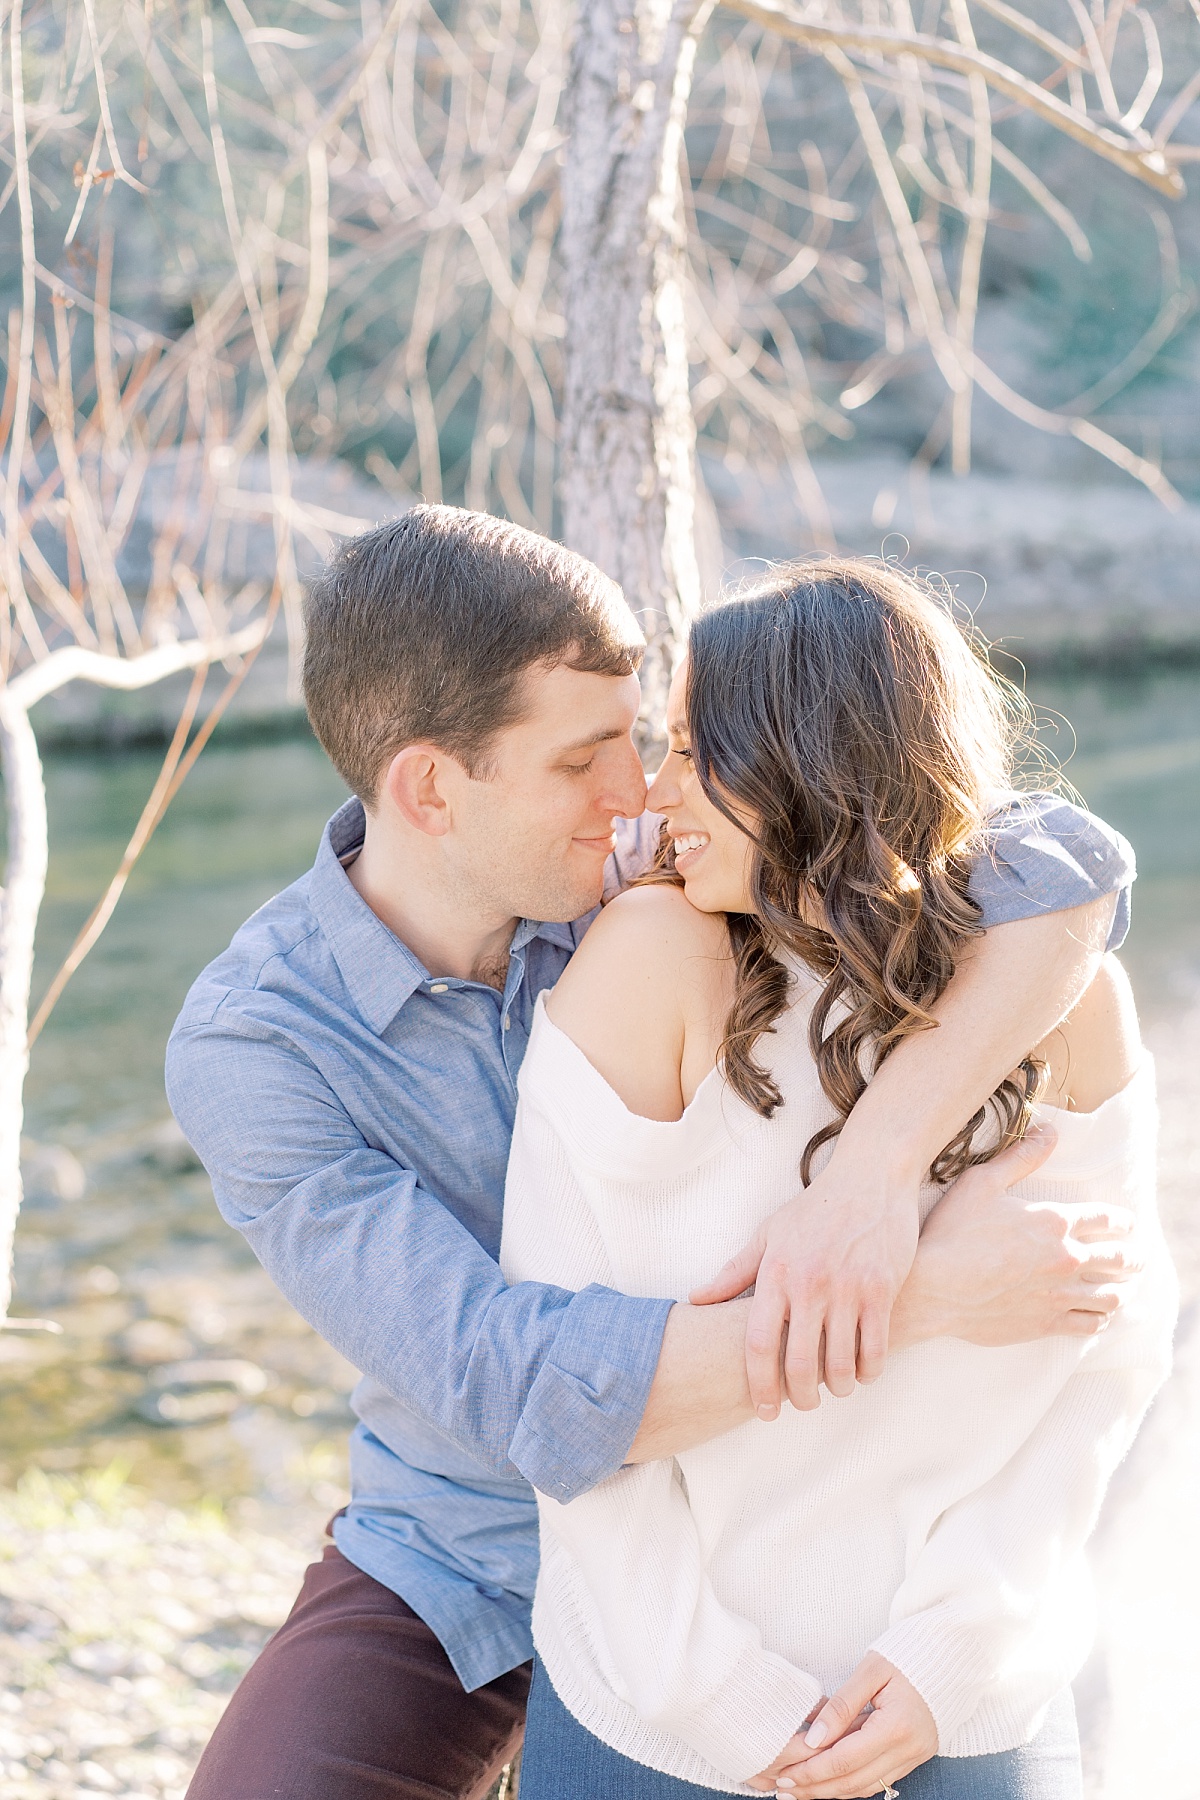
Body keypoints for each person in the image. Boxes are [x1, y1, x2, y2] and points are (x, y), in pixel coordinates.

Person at [166, 509, 1141, 1800]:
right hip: (463, 1546)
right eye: (585, 760)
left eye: (647, 742)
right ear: (430, 789)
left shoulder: (660, 866)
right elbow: (512, 1384)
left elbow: (1046, 864)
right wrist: (921, 1288)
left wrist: (870, 1179)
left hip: (768, 1506)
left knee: (1051, 1689)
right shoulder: (260, 1045)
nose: (635, 792)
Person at [502, 559, 1176, 1800]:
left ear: (812, 760)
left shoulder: (1060, 1004)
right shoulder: (651, 968)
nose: (655, 796)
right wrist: (728, 1705)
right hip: (659, 1712)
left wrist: (955, 1653)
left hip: (959, 1705)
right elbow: (576, 1389)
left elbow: (1110, 1361)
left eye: (698, 753)